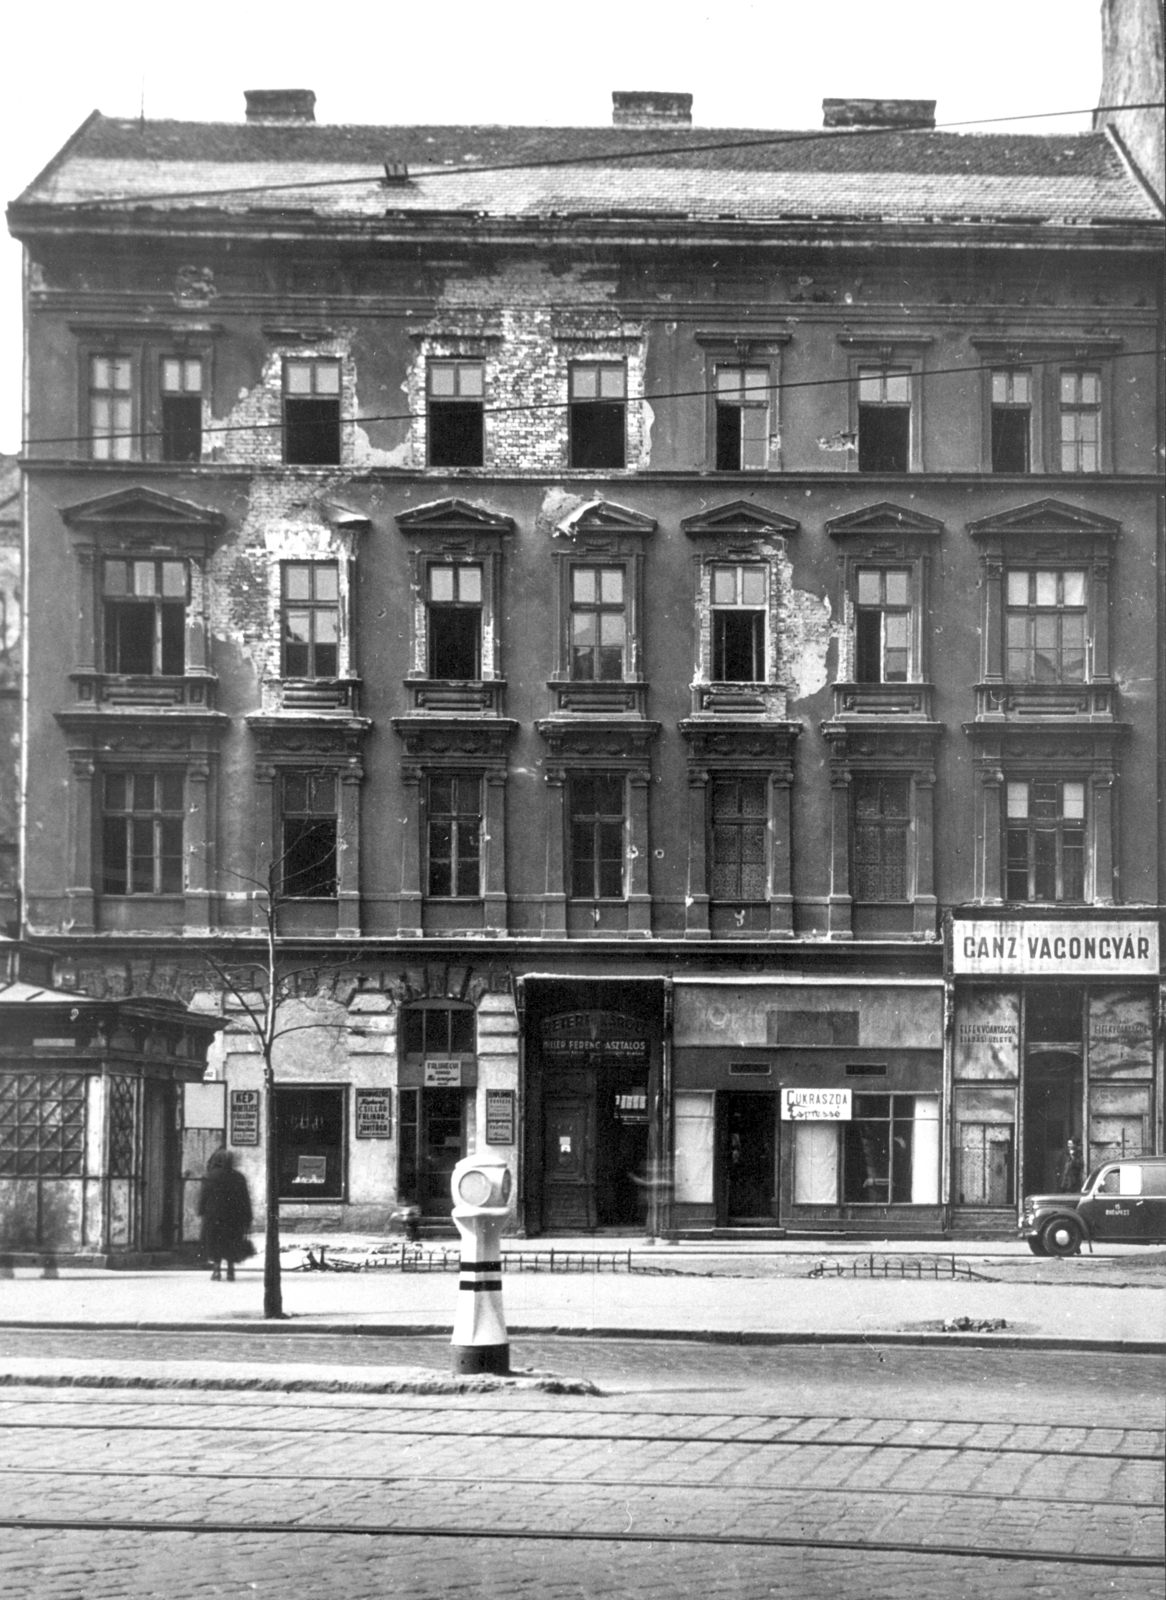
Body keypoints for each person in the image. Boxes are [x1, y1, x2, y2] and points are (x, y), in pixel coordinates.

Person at [197, 1148, 253, 1281]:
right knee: (231, 1242)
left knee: (214, 1242)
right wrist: (248, 1217)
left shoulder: (211, 1176)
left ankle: (216, 1269)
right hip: (234, 1217)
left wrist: (201, 1211)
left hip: (213, 1217)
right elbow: (245, 1199)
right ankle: (230, 1270)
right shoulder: (238, 1177)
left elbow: (204, 1197)